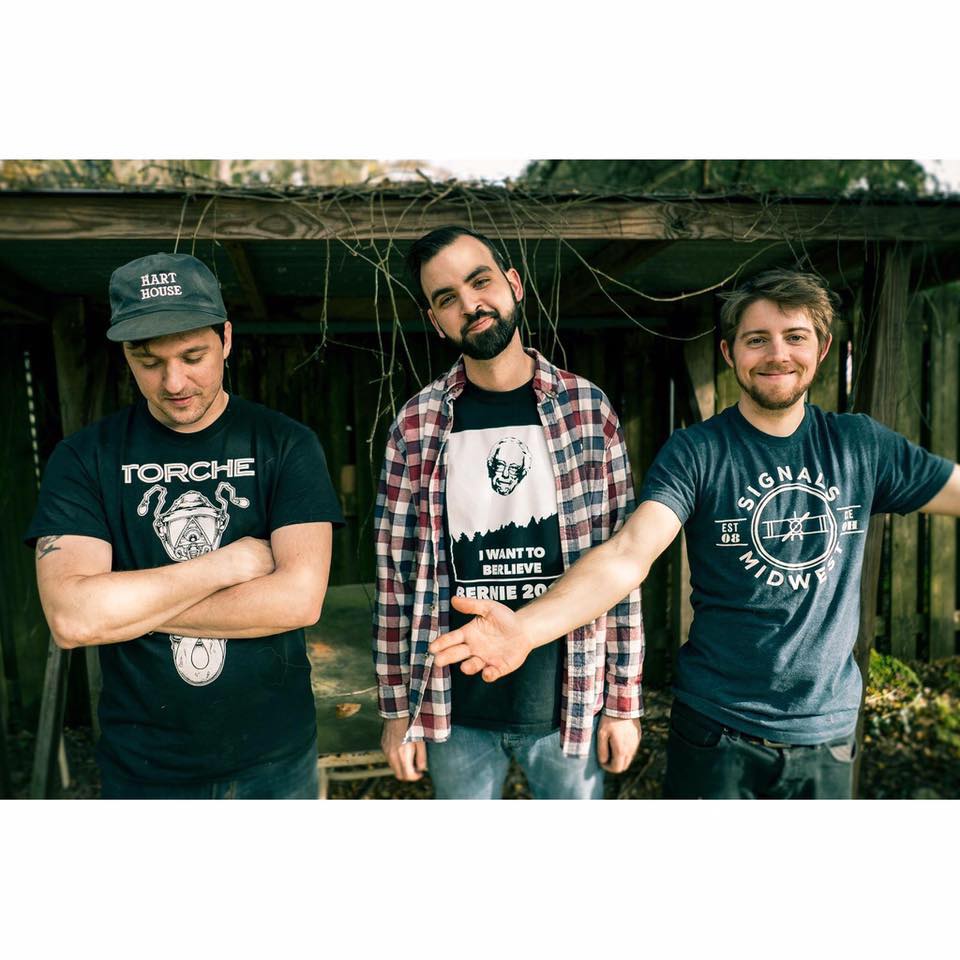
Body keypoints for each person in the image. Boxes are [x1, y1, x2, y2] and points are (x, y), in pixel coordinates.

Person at [430, 268, 960, 799]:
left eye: (795, 337)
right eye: (757, 339)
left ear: (822, 349)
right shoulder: (697, 452)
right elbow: (627, 555)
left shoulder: (861, 446)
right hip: (715, 731)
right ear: (730, 353)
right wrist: (524, 630)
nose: (778, 354)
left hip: (827, 735)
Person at [26, 252, 344, 799]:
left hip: (274, 758)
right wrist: (226, 565)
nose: (174, 382)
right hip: (145, 766)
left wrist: (124, 612)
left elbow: (298, 601)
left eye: (193, 356)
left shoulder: (286, 445)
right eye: (147, 360)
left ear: (226, 339)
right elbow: (73, 618)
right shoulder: (84, 458)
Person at [373, 226, 643, 800]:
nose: (470, 304)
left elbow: (622, 565)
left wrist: (623, 704)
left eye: (480, 282)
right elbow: (394, 575)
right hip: (454, 710)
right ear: (435, 320)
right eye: (447, 298)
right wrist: (398, 711)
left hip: (569, 700)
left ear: (514, 284)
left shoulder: (587, 410)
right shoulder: (417, 423)